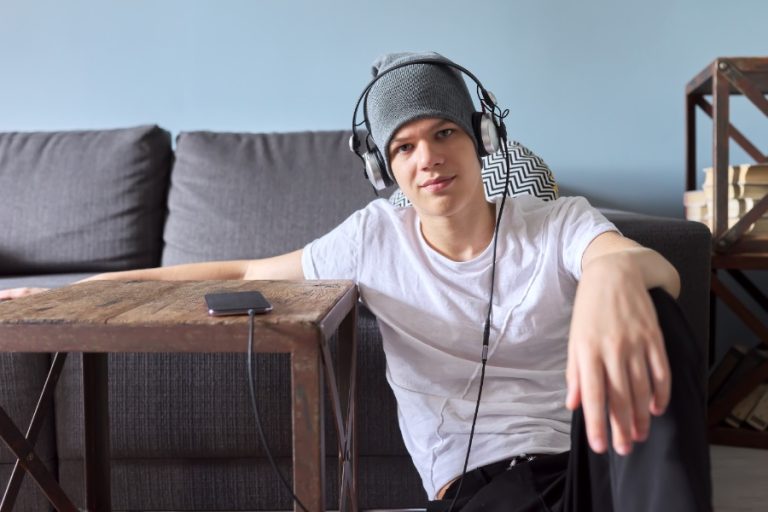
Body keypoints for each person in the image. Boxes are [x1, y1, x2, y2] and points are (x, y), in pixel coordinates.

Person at [0, 52, 711, 511]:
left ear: (481, 139)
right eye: (404, 146)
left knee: (654, 304)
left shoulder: (554, 222)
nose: (427, 157)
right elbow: (243, 271)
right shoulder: (374, 238)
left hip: (593, 466)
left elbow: (649, 268)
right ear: (385, 170)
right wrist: (78, 290)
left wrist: (613, 274)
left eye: (444, 133)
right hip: (482, 489)